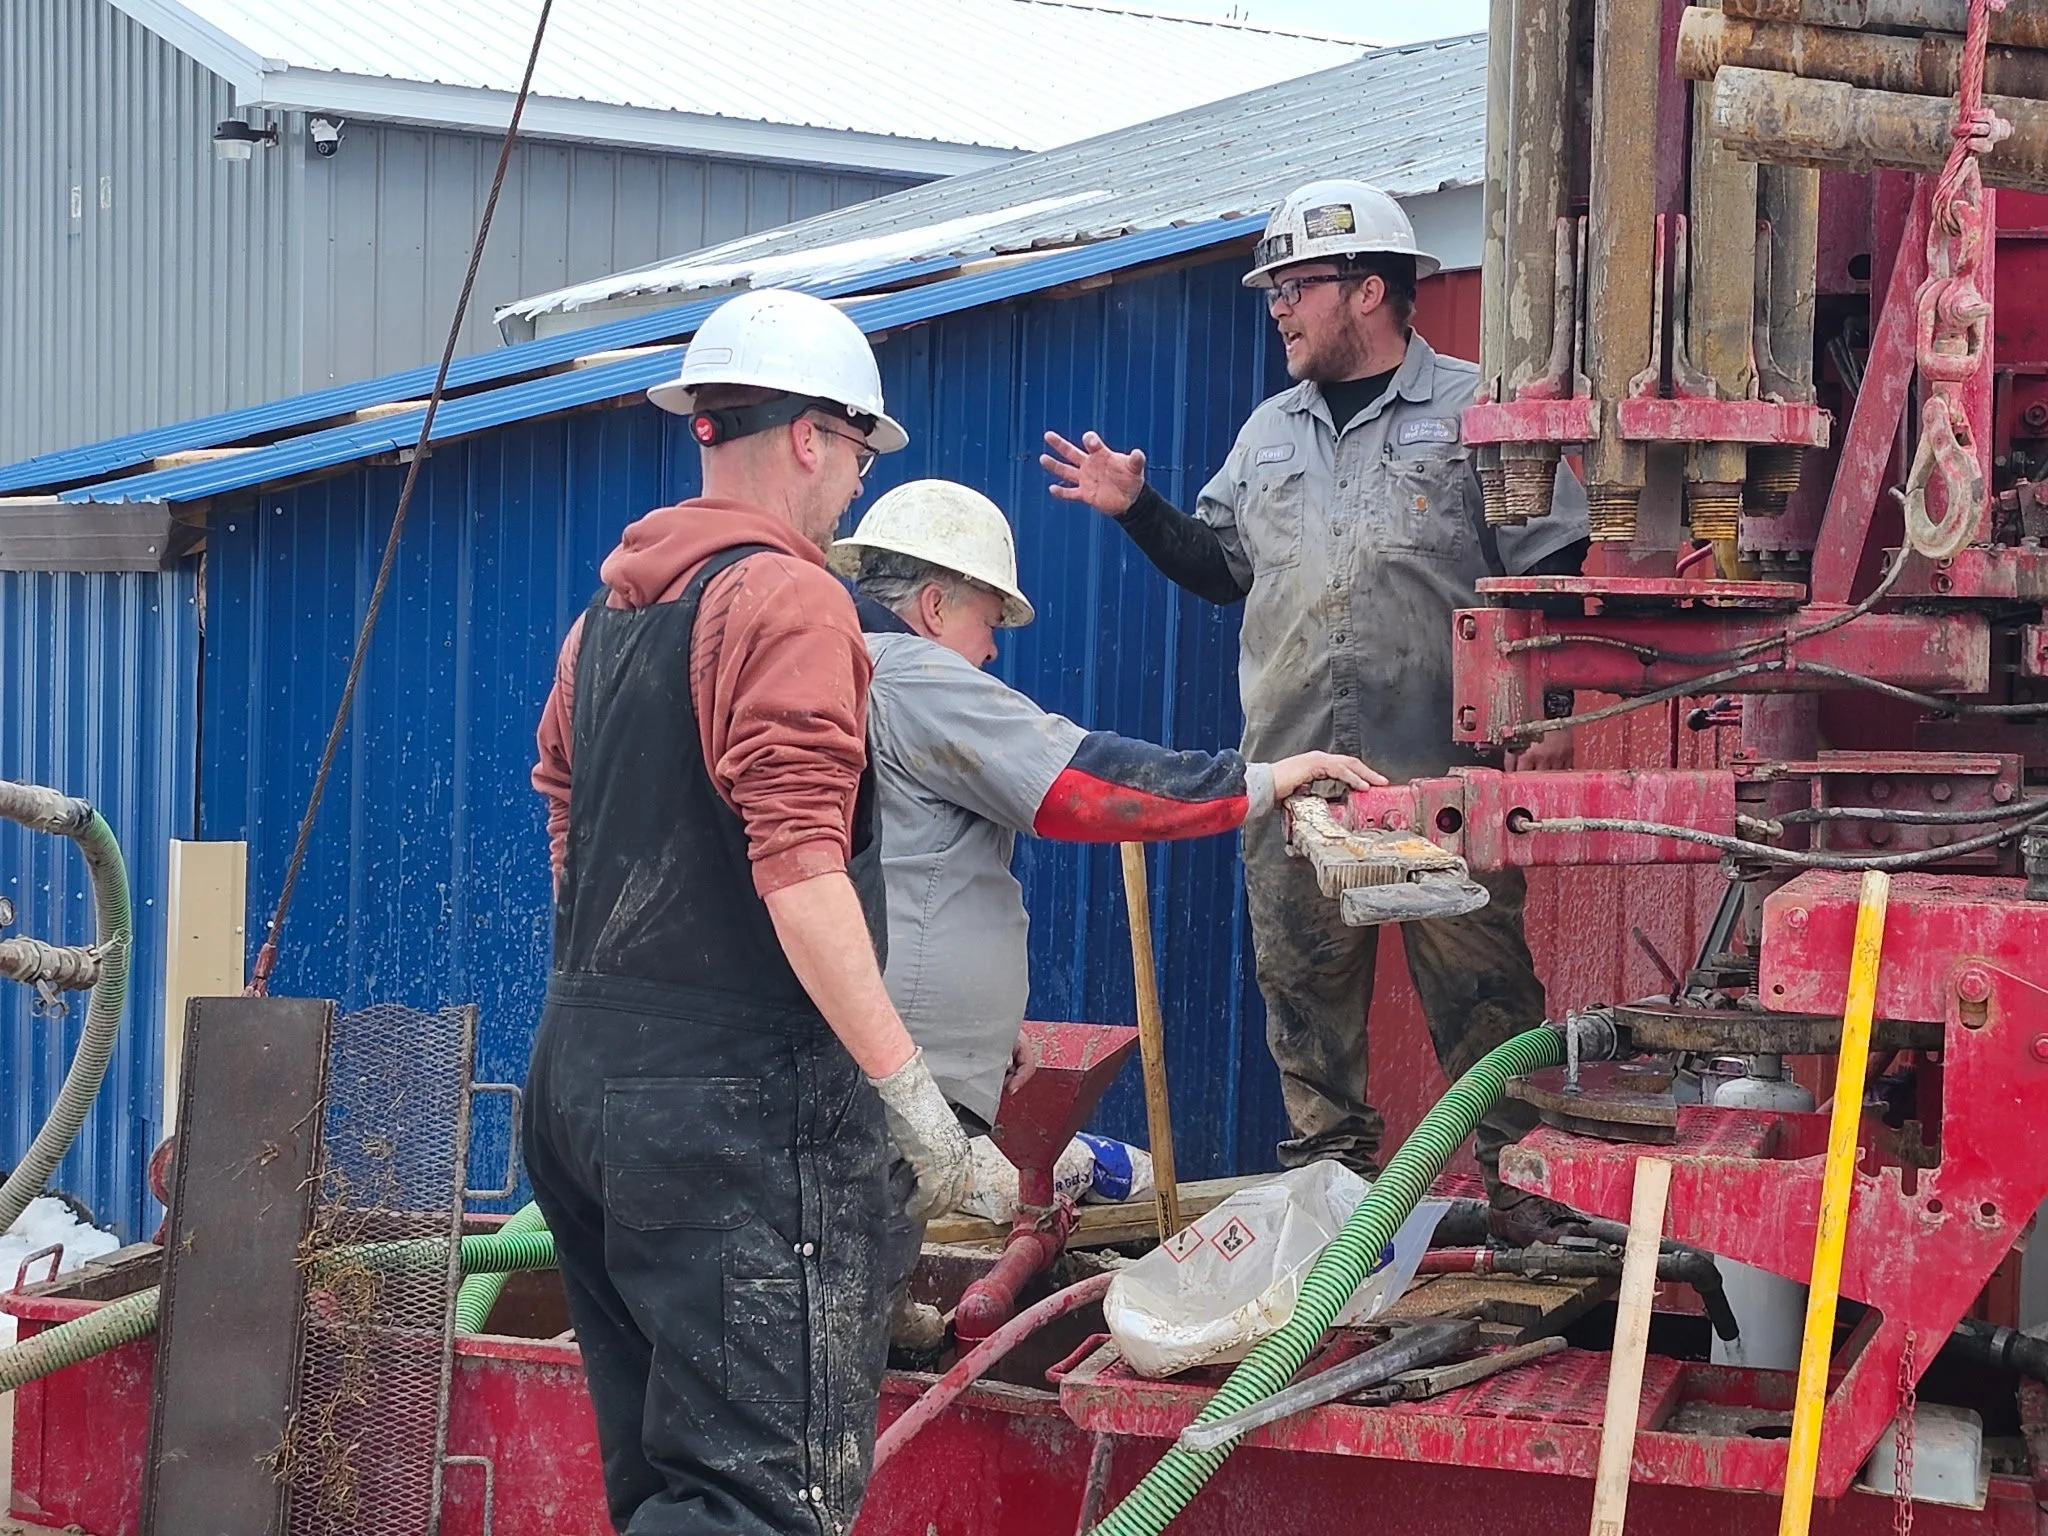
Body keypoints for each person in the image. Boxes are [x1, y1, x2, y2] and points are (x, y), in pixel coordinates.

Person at [1041, 179, 1591, 1236]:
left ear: (1371, 289)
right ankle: (1327, 1222)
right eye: (1274, 290)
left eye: (1296, 287)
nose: (1278, 308)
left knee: (1485, 1014)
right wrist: (1137, 510)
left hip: (1442, 789)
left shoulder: (1478, 415)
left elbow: (1549, 570)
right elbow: (1220, 570)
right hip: (1295, 792)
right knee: (1305, 1019)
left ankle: (1529, 1208)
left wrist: (1540, 714)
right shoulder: (1265, 435)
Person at [525, 288, 969, 1536]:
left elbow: (565, 812)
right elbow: (799, 870)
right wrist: (910, 1096)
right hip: (728, 1120)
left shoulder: (610, 614)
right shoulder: (787, 599)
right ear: (814, 438)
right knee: (757, 1503)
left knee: (667, 1493)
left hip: (583, 1088)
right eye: (858, 458)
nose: (852, 496)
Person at [828, 476, 1381, 1129]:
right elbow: (1083, 786)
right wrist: (1259, 781)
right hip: (899, 1078)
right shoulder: (917, 676)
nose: (993, 646)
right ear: (935, 606)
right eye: (988, 618)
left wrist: (980, 1030)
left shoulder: (847, 667)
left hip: (885, 1051)